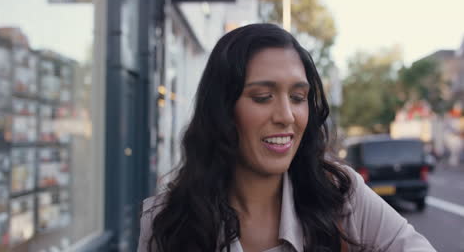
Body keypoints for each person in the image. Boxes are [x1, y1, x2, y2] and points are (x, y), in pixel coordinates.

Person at [138, 23, 436, 252]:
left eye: (297, 97)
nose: (287, 115)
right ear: (222, 109)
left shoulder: (341, 196)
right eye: (263, 97)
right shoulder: (166, 219)